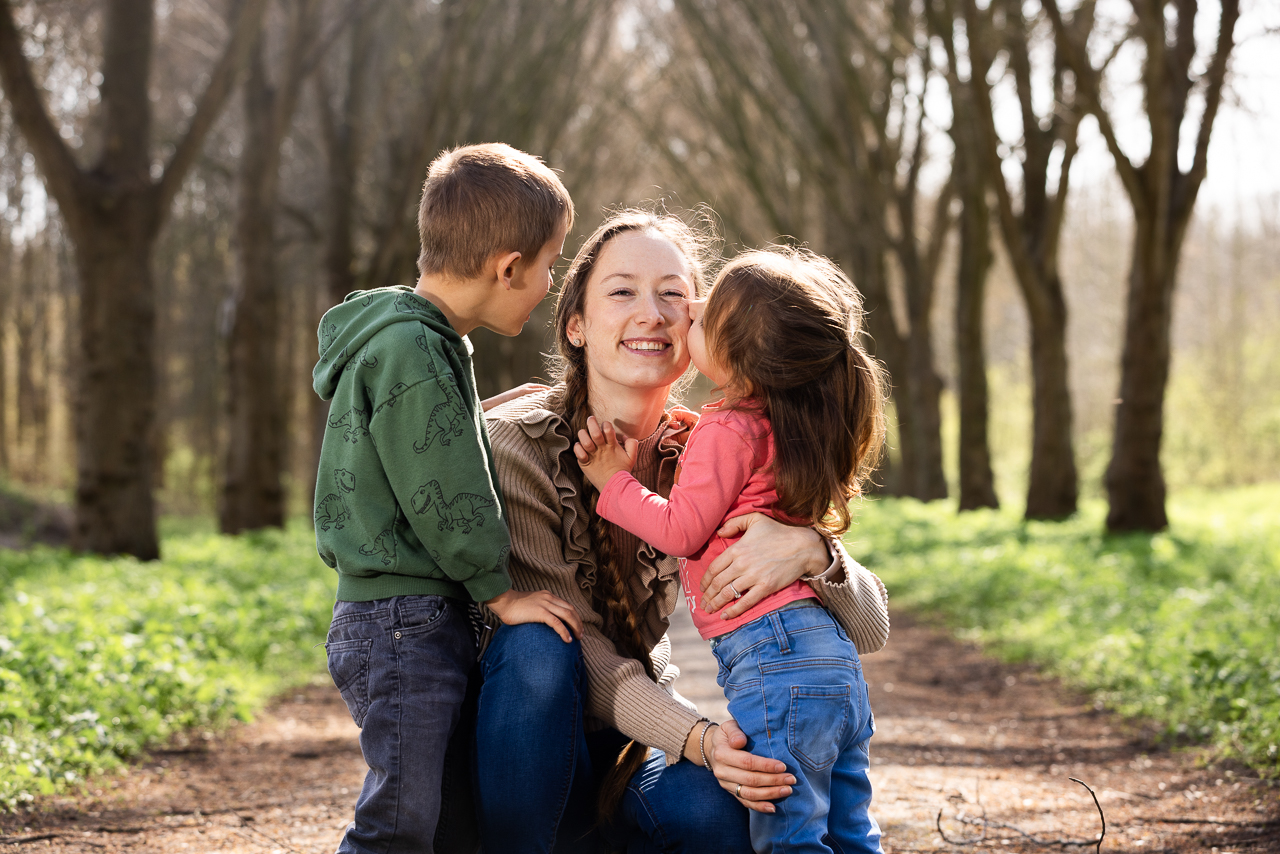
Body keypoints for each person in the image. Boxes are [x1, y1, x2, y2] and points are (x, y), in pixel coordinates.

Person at [473, 212, 890, 853]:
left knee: (743, 810)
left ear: (706, 329)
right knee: (538, 646)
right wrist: (699, 737)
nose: (655, 313)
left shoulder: (714, 447)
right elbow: (579, 649)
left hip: (634, 745)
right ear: (576, 326)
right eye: (622, 292)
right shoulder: (516, 443)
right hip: (524, 743)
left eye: (674, 293)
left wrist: (815, 552)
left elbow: (868, 629)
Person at [314, 143, 586, 854]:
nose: (550, 283)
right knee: (400, 820)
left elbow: (403, 440)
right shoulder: (415, 347)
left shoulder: (410, 336)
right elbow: (444, 490)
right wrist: (501, 595)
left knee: (440, 820)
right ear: (507, 267)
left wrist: (479, 408)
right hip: (403, 621)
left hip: (396, 615)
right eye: (549, 265)